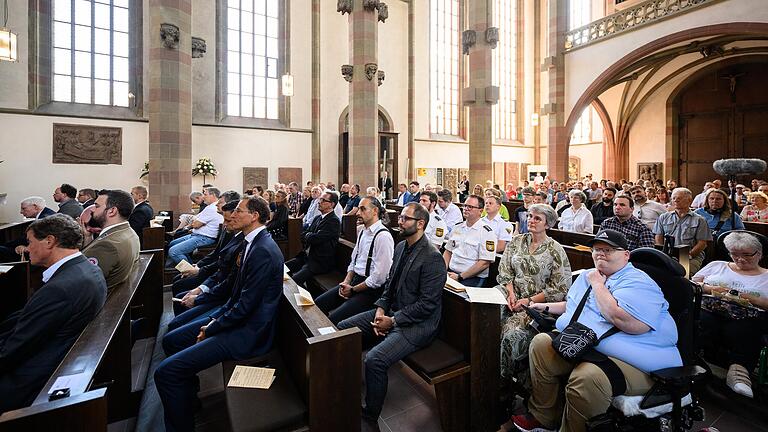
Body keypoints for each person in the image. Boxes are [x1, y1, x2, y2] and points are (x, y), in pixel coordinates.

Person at [511, 229, 682, 432]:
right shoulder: (590, 275)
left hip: (638, 360)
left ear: (626, 255)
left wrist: (598, 285)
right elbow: (577, 305)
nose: (600, 254)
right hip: (594, 345)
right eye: (596, 249)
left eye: (608, 250)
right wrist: (544, 307)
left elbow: (626, 322)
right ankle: (544, 417)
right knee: (541, 344)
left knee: (587, 377)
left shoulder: (639, 282)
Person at [155, 197, 284, 432]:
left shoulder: (263, 250)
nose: (233, 214)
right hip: (236, 320)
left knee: (166, 371)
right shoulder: (251, 243)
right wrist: (214, 320)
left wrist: (212, 326)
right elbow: (235, 295)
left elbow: (245, 306)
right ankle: (186, 400)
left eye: (239, 210)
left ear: (254, 216)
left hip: (248, 333)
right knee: (173, 340)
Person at [337, 202, 446, 429]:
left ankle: (370, 417)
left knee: (375, 360)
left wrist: (393, 321)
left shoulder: (432, 257)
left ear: (420, 224)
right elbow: (389, 287)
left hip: (418, 325)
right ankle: (345, 386)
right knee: (344, 327)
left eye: (406, 218)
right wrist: (380, 310)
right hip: (392, 312)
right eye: (401, 217)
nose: (400, 221)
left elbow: (427, 305)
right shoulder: (400, 247)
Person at [0, 214, 106, 413]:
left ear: (49, 241)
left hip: (31, 377)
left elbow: (15, 349)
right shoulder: (87, 269)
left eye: (30, 242)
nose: (27, 248)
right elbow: (27, 319)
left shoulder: (61, 289)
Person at [496, 204, 571, 392]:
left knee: (511, 336)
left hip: (537, 307)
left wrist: (529, 302)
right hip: (512, 297)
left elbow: (559, 287)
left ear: (548, 224)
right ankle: (486, 371)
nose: (531, 220)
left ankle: (505, 384)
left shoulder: (555, 249)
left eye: (537, 218)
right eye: (530, 216)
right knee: (485, 319)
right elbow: (505, 271)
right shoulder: (517, 241)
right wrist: (511, 294)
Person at [692, 232, 768, 398]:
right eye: (734, 254)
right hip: (710, 307)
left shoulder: (766, 276)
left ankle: (739, 371)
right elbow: (692, 283)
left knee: (745, 328)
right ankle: (688, 358)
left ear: (759, 254)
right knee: (701, 321)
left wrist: (751, 299)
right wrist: (709, 288)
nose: (740, 259)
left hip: (748, 315)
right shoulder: (717, 265)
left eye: (746, 255)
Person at [315, 197, 394, 324]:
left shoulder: (383, 236)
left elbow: (379, 277)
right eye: (358, 209)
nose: (358, 213)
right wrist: (346, 282)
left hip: (370, 291)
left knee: (333, 319)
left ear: (375, 211)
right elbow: (354, 260)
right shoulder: (362, 231)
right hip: (353, 281)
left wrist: (353, 289)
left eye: (363, 209)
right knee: (318, 304)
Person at [80, 189, 140, 292]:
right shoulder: (128, 232)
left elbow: (81, 282)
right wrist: (88, 237)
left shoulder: (107, 245)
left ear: (112, 211)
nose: (93, 210)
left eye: (97, 206)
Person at [285, 191, 341, 286]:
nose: (319, 202)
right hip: (306, 257)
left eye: (323, 200)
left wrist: (309, 236)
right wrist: (309, 236)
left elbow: (316, 239)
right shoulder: (317, 218)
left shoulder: (333, 221)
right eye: (320, 199)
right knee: (283, 268)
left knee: (293, 282)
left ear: (331, 204)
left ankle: (303, 299)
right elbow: (302, 234)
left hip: (319, 262)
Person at [654, 188, 711, 275]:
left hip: (691, 256)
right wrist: (663, 255)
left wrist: (688, 255)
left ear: (689, 200)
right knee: (657, 272)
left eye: (679, 198)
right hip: (667, 255)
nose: (676, 200)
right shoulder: (663, 217)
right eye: (673, 198)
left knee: (683, 274)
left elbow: (702, 243)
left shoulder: (700, 220)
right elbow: (658, 238)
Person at [443, 195, 497, 287]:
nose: (466, 209)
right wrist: (442, 271)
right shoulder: (457, 227)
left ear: (480, 211)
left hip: (472, 278)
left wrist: (460, 277)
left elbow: (484, 263)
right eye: (465, 206)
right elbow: (448, 252)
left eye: (470, 207)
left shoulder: (486, 232)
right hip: (451, 274)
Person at [167, 187, 223, 266]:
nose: (203, 197)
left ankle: (190, 272)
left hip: (204, 238)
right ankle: (190, 265)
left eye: (205, 194)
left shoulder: (212, 208)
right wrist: (195, 222)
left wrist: (196, 222)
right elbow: (195, 220)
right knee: (172, 243)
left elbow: (195, 225)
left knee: (174, 251)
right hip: (197, 235)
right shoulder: (209, 207)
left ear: (213, 195)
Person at [0, 197, 57, 262]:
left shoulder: (44, 219)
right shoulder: (48, 214)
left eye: (24, 208)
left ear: (35, 207)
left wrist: (26, 247)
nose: (21, 212)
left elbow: (27, 239)